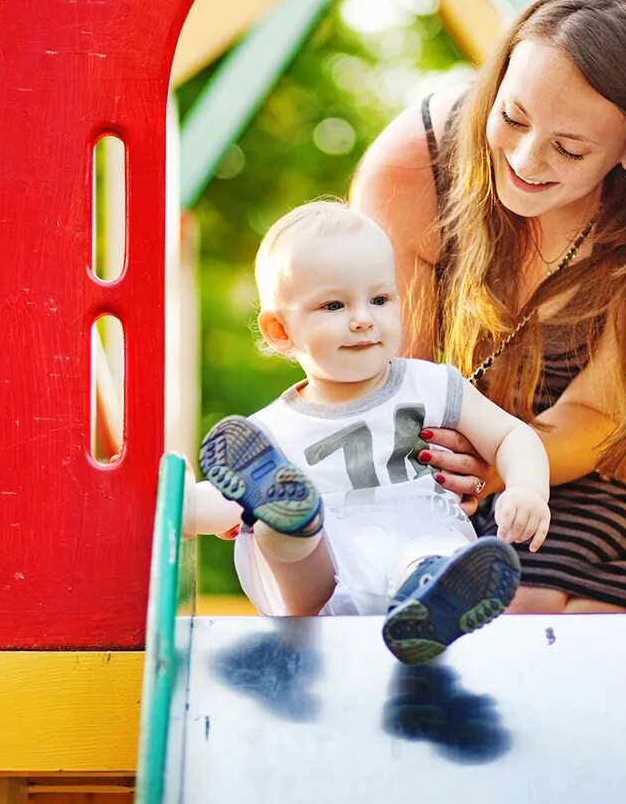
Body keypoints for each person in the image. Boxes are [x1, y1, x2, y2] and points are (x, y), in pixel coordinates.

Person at [350, 0, 626, 614]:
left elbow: (602, 416)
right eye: (513, 117)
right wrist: (451, 460)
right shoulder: (413, 167)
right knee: (463, 586)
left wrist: (501, 463)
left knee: (545, 605)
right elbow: (400, 378)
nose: (526, 159)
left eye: (570, 148)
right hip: (487, 421)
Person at [187, 199, 550, 665]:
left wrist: (527, 488)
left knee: (431, 553)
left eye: (379, 299)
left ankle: (431, 604)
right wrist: (171, 511)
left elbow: (510, 437)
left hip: (415, 534)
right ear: (281, 330)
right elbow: (220, 504)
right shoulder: (271, 431)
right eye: (334, 304)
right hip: (318, 588)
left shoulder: (431, 385)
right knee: (274, 526)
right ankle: (287, 520)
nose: (363, 317)